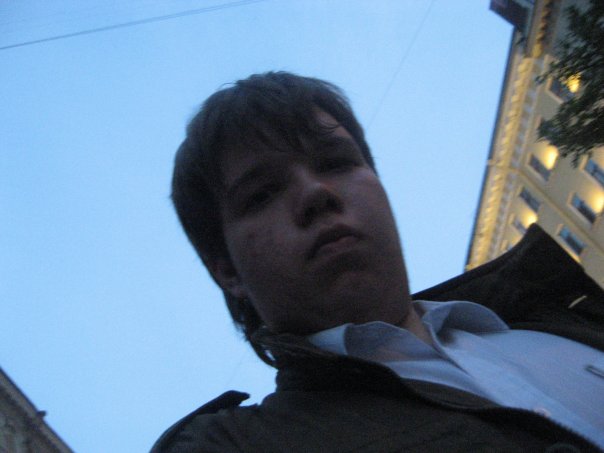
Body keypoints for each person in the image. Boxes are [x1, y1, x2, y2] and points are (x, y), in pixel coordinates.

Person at [152, 72, 604, 452]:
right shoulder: (246, 444)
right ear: (228, 270)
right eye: (263, 193)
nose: (315, 192)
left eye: (336, 162)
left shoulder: (557, 313)